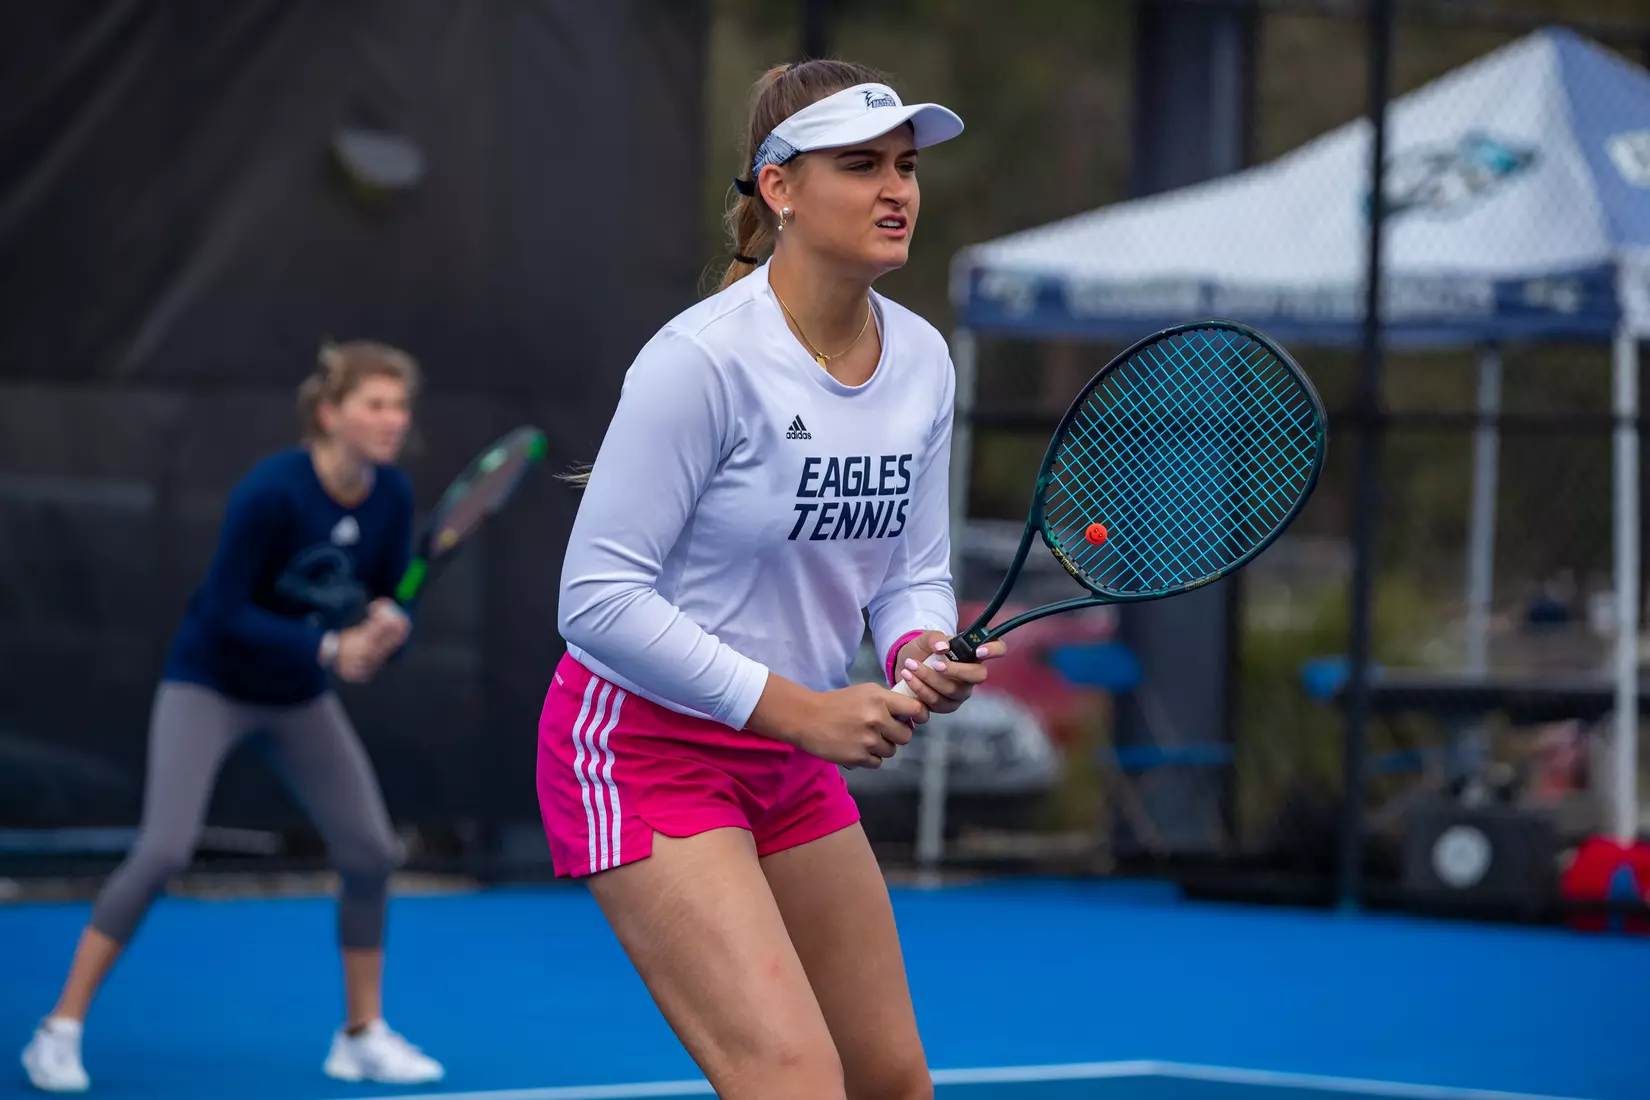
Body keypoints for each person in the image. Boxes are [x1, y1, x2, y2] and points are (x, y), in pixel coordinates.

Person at [541, 60, 1005, 1100]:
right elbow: (596, 599)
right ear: (780, 188)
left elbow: (912, 570)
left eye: (905, 164)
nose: (897, 190)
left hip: (788, 755)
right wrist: (803, 710)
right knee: (793, 1081)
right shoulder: (701, 359)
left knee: (892, 1079)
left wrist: (918, 648)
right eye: (860, 164)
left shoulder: (924, 360)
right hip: (643, 751)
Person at [21, 341, 445, 1092]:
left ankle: (360, 1035)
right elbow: (220, 612)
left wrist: (388, 630)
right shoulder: (271, 491)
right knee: (163, 850)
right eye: (375, 404)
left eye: (400, 405)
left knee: (372, 852)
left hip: (296, 700)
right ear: (328, 413)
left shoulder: (392, 498)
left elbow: (382, 602)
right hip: (209, 686)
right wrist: (326, 648)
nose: (393, 419)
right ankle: (58, 1028)